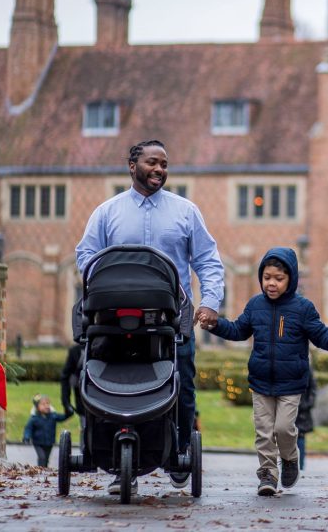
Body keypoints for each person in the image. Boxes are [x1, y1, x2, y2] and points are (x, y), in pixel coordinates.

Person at [75, 139, 225, 494]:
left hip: (174, 314)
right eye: (153, 163)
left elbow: (207, 259)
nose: (160, 170)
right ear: (132, 166)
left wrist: (211, 301)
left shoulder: (185, 211)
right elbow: (86, 256)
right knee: (115, 383)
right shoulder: (107, 212)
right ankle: (117, 462)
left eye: (165, 165)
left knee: (183, 380)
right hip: (116, 316)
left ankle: (181, 451)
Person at [203, 247, 328, 496]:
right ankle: (268, 473)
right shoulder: (255, 305)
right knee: (263, 431)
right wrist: (216, 325)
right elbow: (238, 330)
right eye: (267, 277)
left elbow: (321, 335)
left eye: (278, 279)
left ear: (290, 279)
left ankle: (290, 458)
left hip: (291, 383)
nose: (271, 283)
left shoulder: (302, 308)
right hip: (260, 381)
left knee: (283, 428)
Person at [23, 394, 73, 467]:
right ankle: (40, 470)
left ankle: (45, 470)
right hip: (38, 443)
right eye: (43, 404)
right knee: (42, 457)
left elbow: (62, 417)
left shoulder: (53, 416)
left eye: (47, 403)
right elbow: (28, 429)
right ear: (37, 407)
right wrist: (26, 437)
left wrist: (69, 413)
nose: (46, 406)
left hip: (49, 442)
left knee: (46, 458)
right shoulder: (34, 418)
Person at [295, 361, 318, 470]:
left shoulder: (306, 366)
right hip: (288, 406)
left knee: (300, 438)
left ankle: (300, 467)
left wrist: (308, 403)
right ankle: (289, 465)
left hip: (302, 410)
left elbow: (313, 387)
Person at [60, 342, 85, 430]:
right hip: (83, 402)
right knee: (85, 430)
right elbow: (65, 377)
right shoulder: (75, 351)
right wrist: (66, 402)